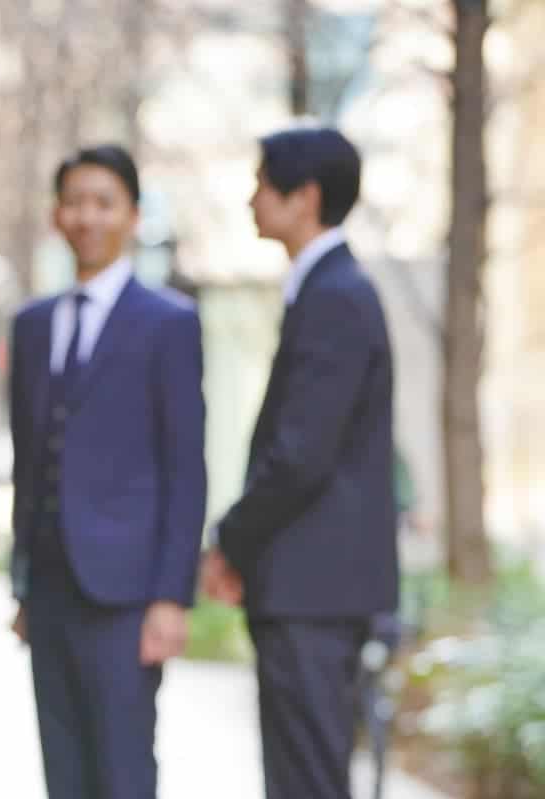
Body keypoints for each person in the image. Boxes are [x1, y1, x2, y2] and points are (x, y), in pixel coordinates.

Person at [201, 126, 399, 799]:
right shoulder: (325, 290)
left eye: (263, 182)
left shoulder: (336, 295)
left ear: (305, 196)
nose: (252, 197)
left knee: (307, 781)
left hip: (315, 591)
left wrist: (229, 537)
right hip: (312, 587)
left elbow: (300, 455)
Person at [7, 144, 206, 799]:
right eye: (75, 202)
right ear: (57, 216)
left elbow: (185, 468)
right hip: (52, 591)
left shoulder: (169, 322)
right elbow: (29, 459)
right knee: (62, 774)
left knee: (122, 772)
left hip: (126, 596)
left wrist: (171, 597)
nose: (87, 216)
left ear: (133, 215)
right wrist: (25, 582)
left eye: (104, 202)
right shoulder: (33, 326)